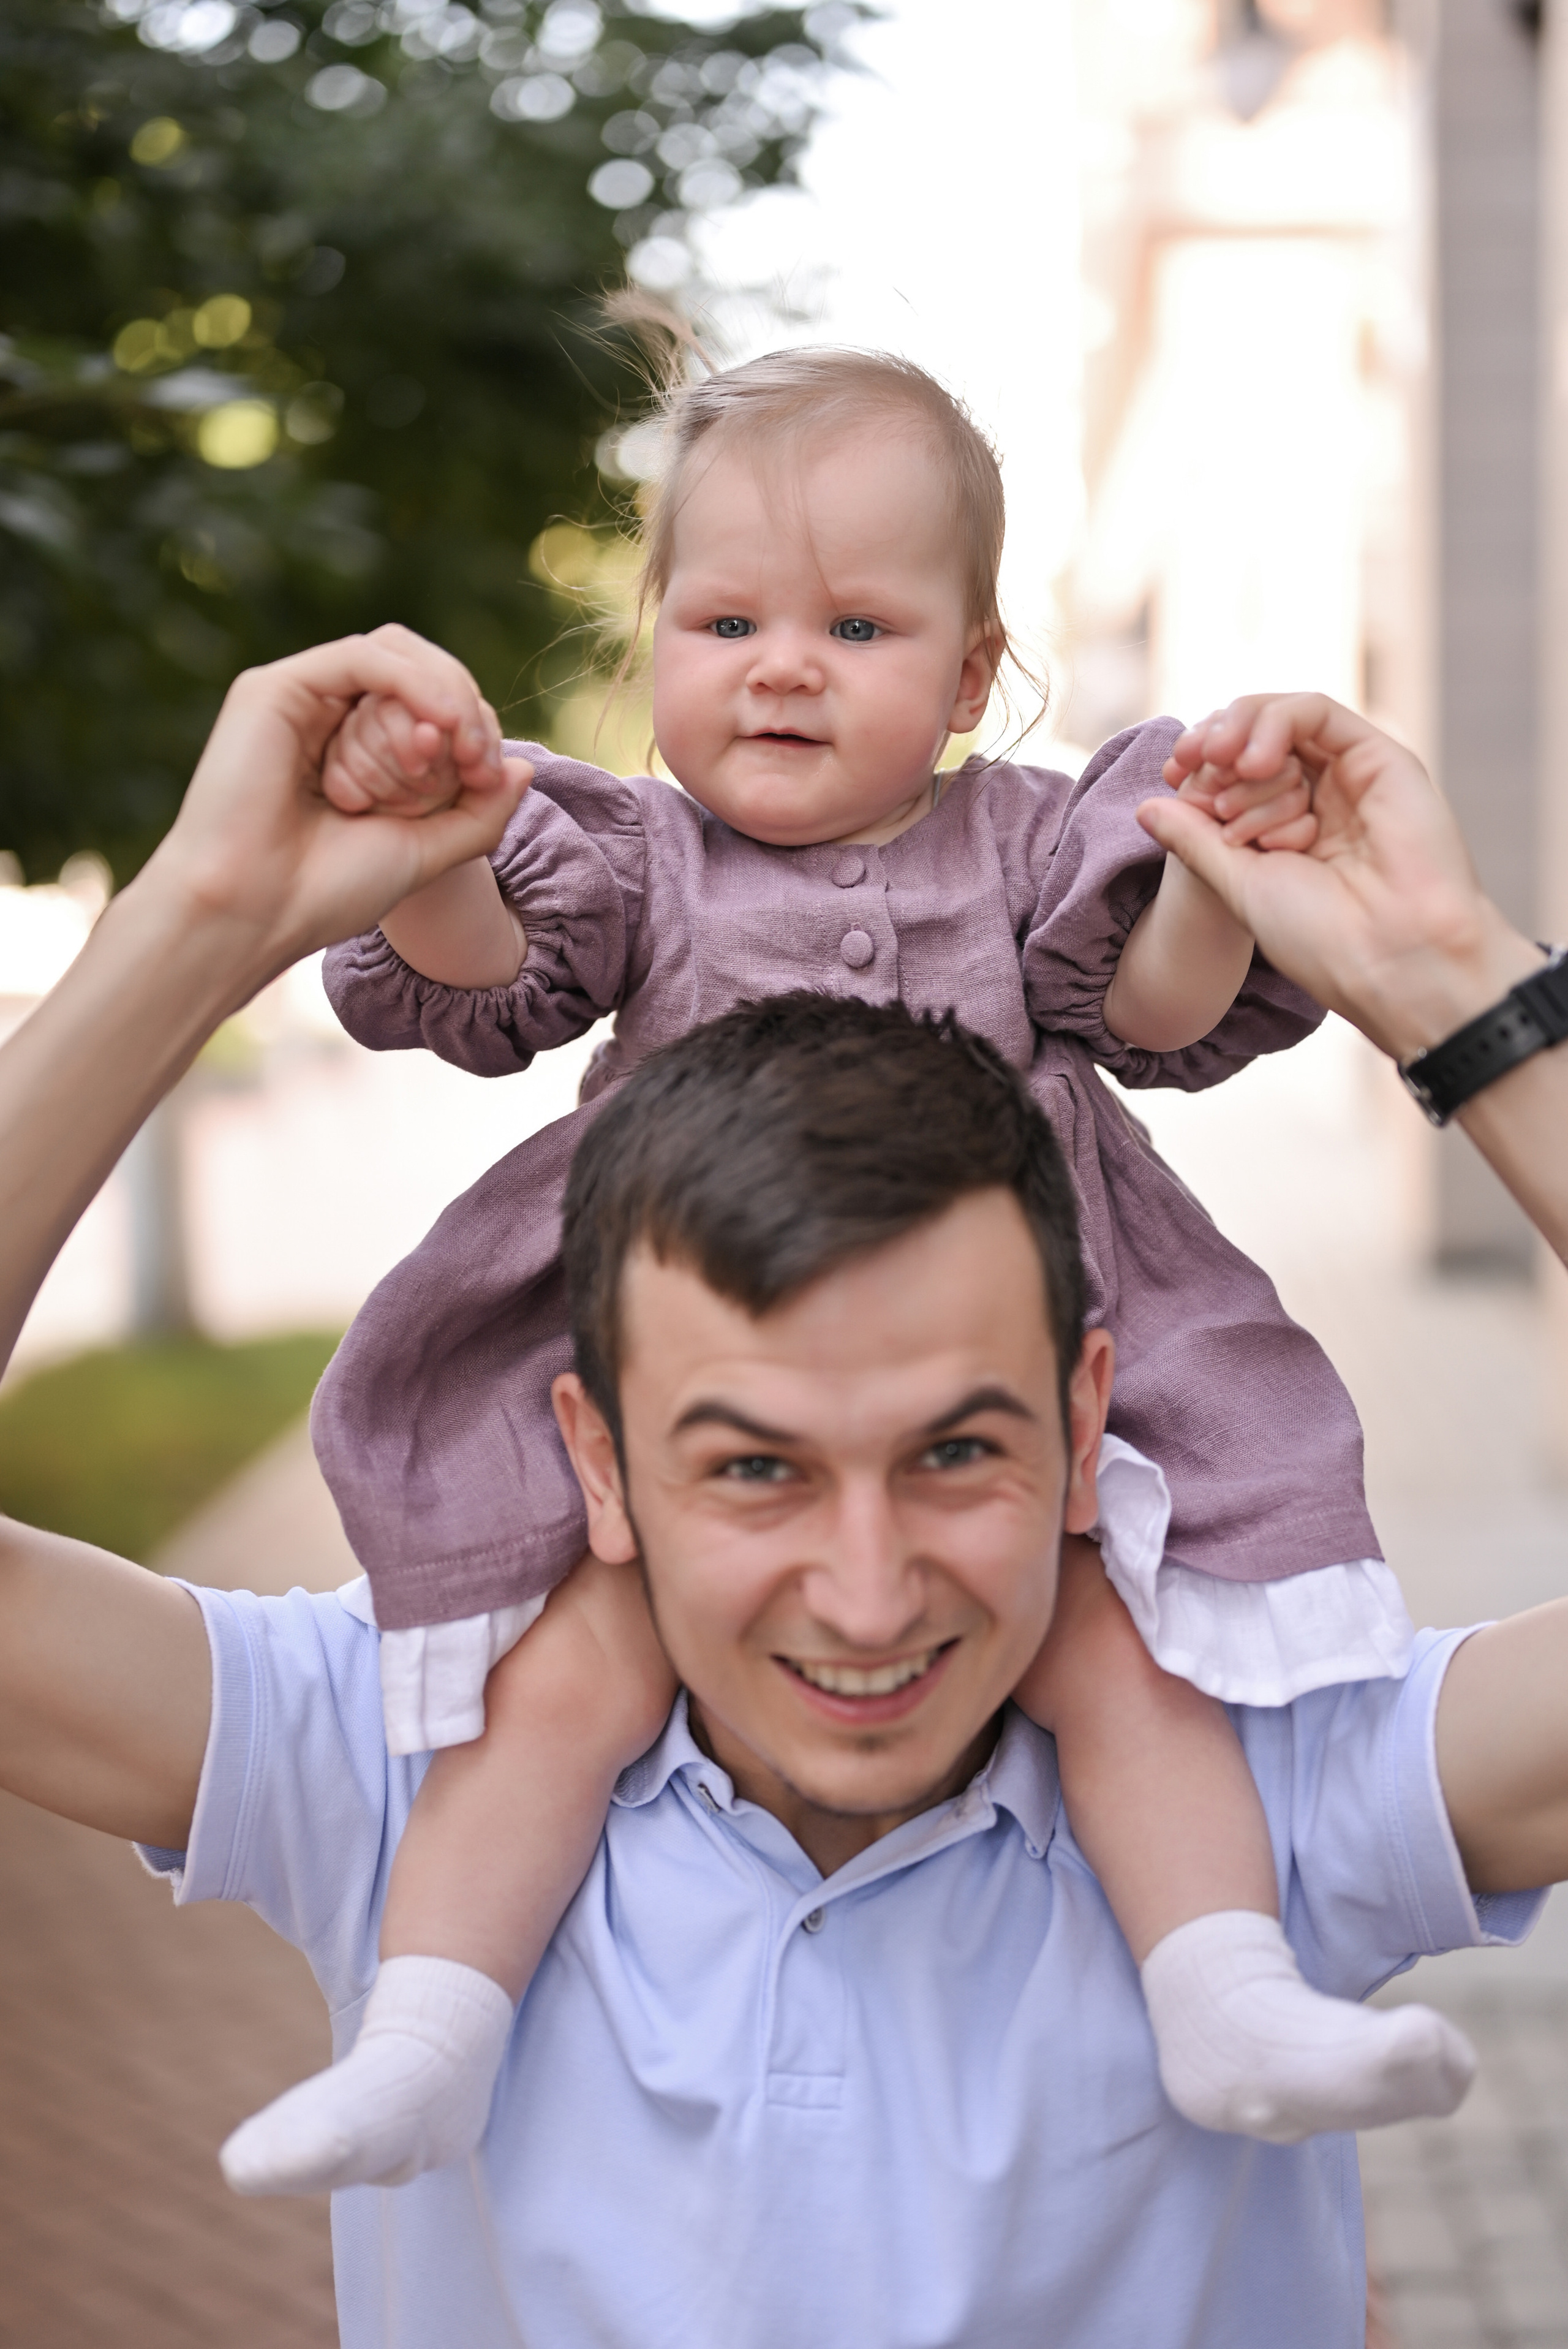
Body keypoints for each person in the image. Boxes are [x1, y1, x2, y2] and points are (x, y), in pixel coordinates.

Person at [2, 652, 1568, 2349]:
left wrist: (1456, 986)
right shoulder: (398, 1754)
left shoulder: (1274, 1779)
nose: (870, 1589)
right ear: (596, 1460)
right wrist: (202, 922)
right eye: (755, 1467)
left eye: (958, 1451)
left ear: (1087, 1411)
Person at [224, 346, 1448, 2196]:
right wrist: (435, 849)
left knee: (1116, 1658)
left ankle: (1226, 1988)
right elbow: (478, 983)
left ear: (968, 676)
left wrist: (1215, 860)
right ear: (658, 646)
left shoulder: (1030, 839)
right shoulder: (640, 857)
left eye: (858, 624)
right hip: (711, 1361)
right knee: (573, 1677)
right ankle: (425, 2034)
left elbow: (1163, 1004)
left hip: (1000, 1367)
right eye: (726, 617)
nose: (783, 661)